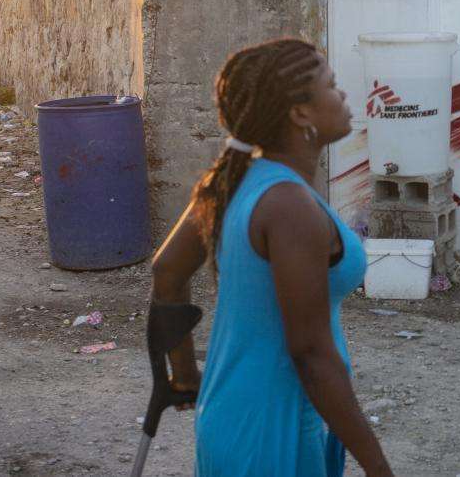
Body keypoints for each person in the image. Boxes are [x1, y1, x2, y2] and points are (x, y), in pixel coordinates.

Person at [150, 38, 393, 477]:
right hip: (270, 431)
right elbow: (310, 353)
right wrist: (378, 467)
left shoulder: (237, 179)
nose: (343, 97)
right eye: (333, 86)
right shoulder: (288, 205)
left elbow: (167, 272)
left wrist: (185, 378)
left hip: (231, 415)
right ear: (300, 113)